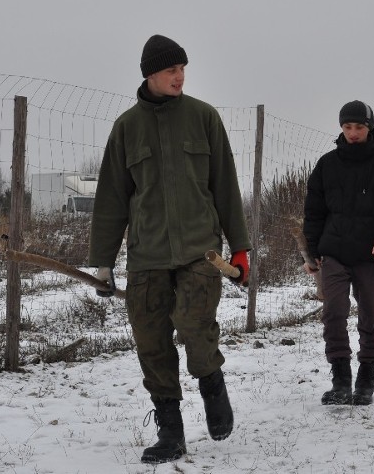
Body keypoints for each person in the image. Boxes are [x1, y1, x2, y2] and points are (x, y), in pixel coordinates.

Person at [89, 34, 251, 464]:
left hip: (201, 251)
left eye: (182, 69)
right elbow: (111, 199)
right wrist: (103, 263)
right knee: (151, 340)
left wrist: (240, 248)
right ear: (150, 74)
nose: (179, 76)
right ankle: (171, 431)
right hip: (147, 253)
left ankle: (212, 385)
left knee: (193, 325)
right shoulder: (126, 127)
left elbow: (226, 187)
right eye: (170, 70)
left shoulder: (203, 117)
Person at [303, 100, 374, 406]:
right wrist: (311, 253)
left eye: (359, 127)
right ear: (341, 128)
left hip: (369, 255)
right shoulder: (327, 165)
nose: (352, 133)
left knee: (371, 314)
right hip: (333, 253)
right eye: (347, 127)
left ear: (370, 128)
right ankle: (340, 380)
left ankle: (366, 378)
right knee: (334, 311)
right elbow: (313, 213)